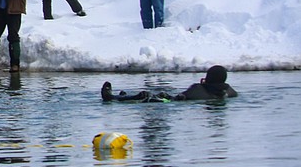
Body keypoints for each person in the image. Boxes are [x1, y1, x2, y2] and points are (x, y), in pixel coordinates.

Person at [102, 65, 237, 102]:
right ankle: (123, 96)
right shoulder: (230, 92)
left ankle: (112, 97)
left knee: (144, 95)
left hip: (167, 101)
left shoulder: (199, 89)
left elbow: (180, 98)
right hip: (172, 101)